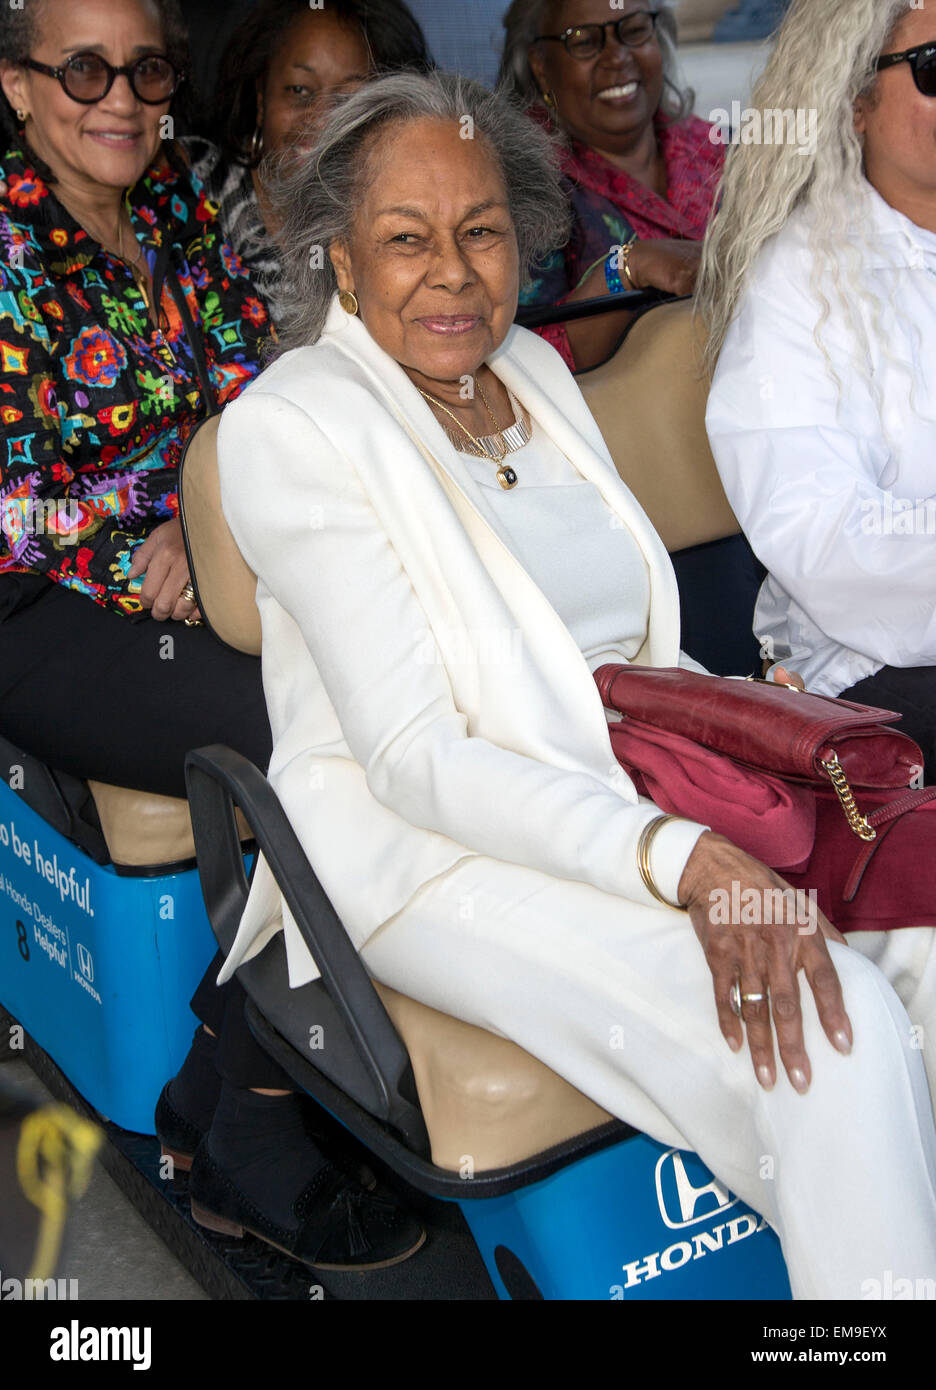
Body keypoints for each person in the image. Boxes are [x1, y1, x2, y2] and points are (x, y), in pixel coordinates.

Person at [213, 69, 936, 1300]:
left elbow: (639, 661)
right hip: (431, 853)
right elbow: (418, 757)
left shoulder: (536, 376)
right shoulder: (296, 426)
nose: (452, 270)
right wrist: (687, 863)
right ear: (339, 257)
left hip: (622, 790)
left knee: (921, 934)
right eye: (406, 239)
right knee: (837, 1032)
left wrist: (745, 784)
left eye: (481, 230)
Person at [0, 0, 422, 1271]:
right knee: (310, 725)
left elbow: (290, 375)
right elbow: (18, 503)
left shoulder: (198, 197)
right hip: (47, 601)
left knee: (405, 685)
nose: (120, 96)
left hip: (225, 556)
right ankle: (245, 1121)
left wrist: (217, 502)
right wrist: (158, 533)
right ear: (17, 84)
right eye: (82, 67)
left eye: (146, 68)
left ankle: (208, 1083)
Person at [700, 0, 936, 784]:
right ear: (854, 100)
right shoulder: (799, 283)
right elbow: (826, 542)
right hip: (875, 676)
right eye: (935, 68)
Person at [500, 0, 723, 370]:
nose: (617, 57)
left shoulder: (723, 151)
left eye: (634, 30)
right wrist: (626, 269)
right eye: (585, 41)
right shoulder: (517, 184)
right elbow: (517, 362)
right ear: (540, 65)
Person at [182, 0, 431, 321]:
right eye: (299, 90)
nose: (322, 119)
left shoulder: (406, 218)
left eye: (349, 99)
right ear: (261, 99)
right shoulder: (187, 185)